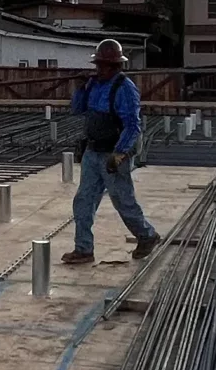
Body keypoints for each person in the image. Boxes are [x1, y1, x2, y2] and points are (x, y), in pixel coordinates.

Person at [63, 39, 159, 266]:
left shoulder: (124, 88)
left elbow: (133, 126)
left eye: (104, 66)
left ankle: (147, 236)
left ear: (116, 66)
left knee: (122, 201)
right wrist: (80, 88)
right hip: (93, 150)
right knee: (84, 200)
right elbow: (77, 109)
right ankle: (83, 249)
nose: (99, 69)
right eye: (98, 65)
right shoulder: (94, 85)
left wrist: (119, 154)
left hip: (113, 152)